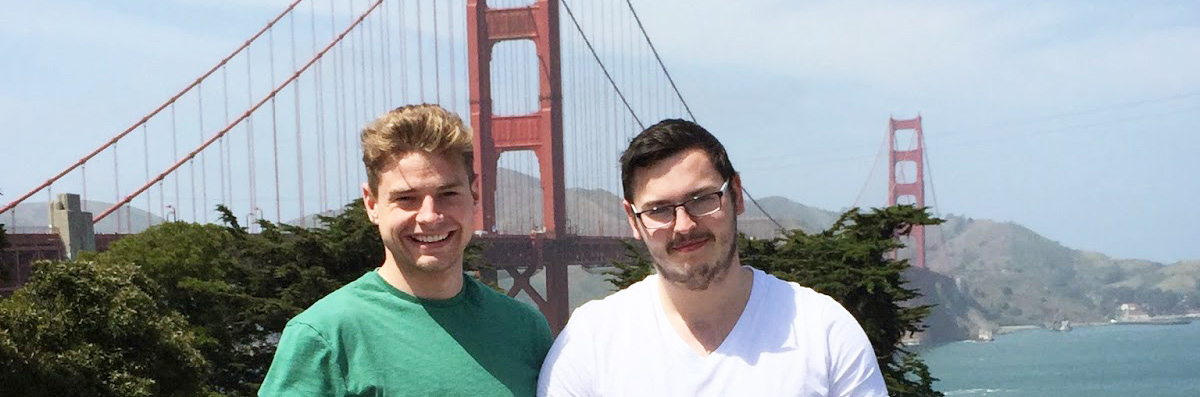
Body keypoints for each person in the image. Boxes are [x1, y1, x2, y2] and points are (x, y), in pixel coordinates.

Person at [537, 119, 888, 396]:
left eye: (703, 199)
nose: (684, 225)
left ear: (736, 194)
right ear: (633, 220)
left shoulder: (824, 331)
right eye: (659, 210)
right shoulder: (590, 343)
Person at [260, 104, 552, 396]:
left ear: (474, 195)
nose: (429, 215)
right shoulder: (325, 336)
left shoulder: (526, 331)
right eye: (407, 198)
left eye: (447, 194)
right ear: (371, 204)